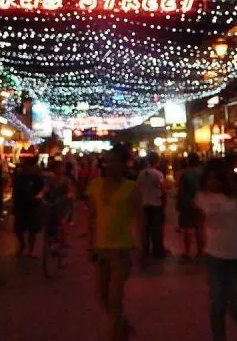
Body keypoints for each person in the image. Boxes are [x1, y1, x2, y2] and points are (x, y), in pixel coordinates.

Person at [195, 158, 237, 341]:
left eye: (216, 178)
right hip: (214, 254)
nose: (212, 182)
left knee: (236, 303)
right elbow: (200, 224)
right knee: (217, 303)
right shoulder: (202, 197)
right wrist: (200, 248)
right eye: (209, 178)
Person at [87, 145, 142, 341]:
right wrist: (90, 243)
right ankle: (123, 326)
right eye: (107, 160)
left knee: (114, 299)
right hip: (101, 249)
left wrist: (141, 249)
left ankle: (117, 336)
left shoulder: (132, 188)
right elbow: (92, 217)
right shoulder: (95, 185)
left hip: (122, 249)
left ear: (123, 163)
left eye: (114, 160)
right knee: (102, 298)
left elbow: (140, 219)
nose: (109, 165)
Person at [12, 155, 45, 258]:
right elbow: (15, 191)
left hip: (33, 206)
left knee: (32, 229)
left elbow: (42, 190)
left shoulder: (37, 178)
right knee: (18, 229)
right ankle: (23, 245)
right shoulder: (19, 178)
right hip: (20, 205)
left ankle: (30, 250)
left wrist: (39, 196)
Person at [136, 153, 166, 265]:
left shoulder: (141, 173)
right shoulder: (159, 174)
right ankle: (157, 251)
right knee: (157, 230)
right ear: (157, 161)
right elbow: (163, 189)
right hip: (156, 204)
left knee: (146, 229)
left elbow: (138, 188)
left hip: (145, 204)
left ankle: (145, 250)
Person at [177, 153, 204, 260]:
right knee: (199, 228)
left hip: (188, 203)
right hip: (200, 202)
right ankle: (200, 251)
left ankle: (188, 252)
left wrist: (179, 203)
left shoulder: (185, 174)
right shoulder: (202, 172)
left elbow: (182, 191)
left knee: (187, 228)